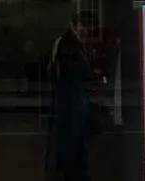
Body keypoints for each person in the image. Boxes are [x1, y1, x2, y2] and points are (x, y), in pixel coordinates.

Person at [49, 12, 98, 181]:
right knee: (73, 145)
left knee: (73, 145)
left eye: (89, 25)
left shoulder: (71, 43)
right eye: (84, 25)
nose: (87, 30)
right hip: (71, 103)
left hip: (72, 102)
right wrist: (92, 75)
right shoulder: (68, 45)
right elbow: (73, 73)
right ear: (74, 25)